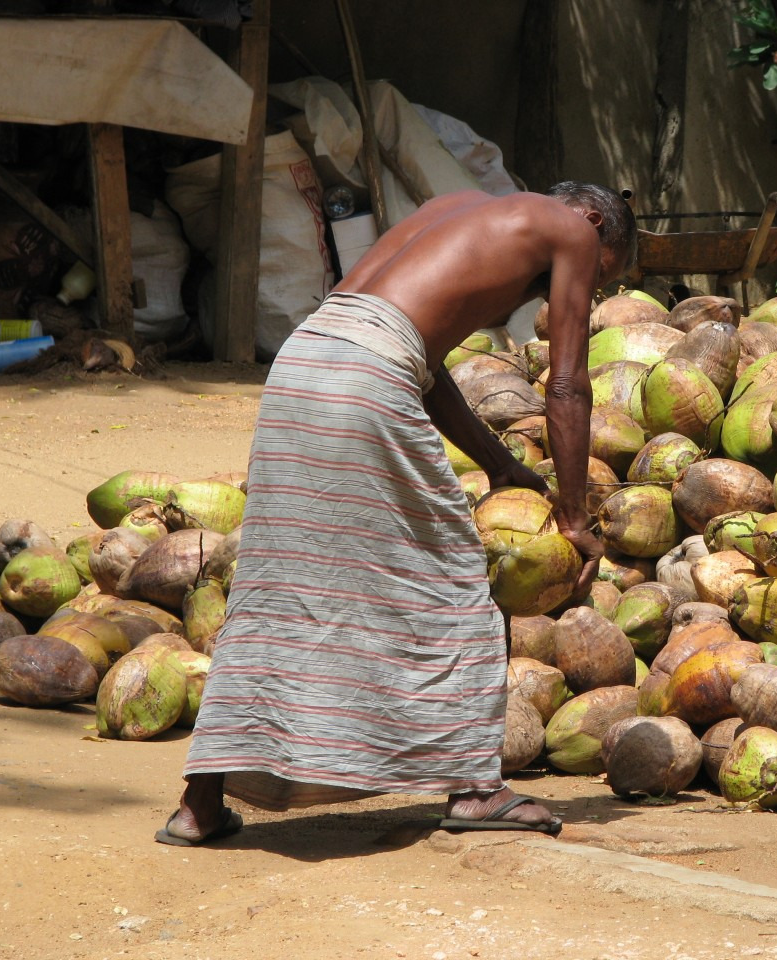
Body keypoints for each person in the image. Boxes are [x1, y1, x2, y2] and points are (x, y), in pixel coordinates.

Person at [154, 182, 638, 845]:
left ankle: (199, 803)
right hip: (366, 378)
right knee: (455, 575)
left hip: (302, 363)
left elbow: (425, 365)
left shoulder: (459, 208)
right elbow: (566, 382)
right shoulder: (573, 229)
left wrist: (498, 462)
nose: (584, 289)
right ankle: (474, 788)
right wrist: (576, 517)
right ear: (592, 221)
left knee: (277, 590)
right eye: (603, 276)